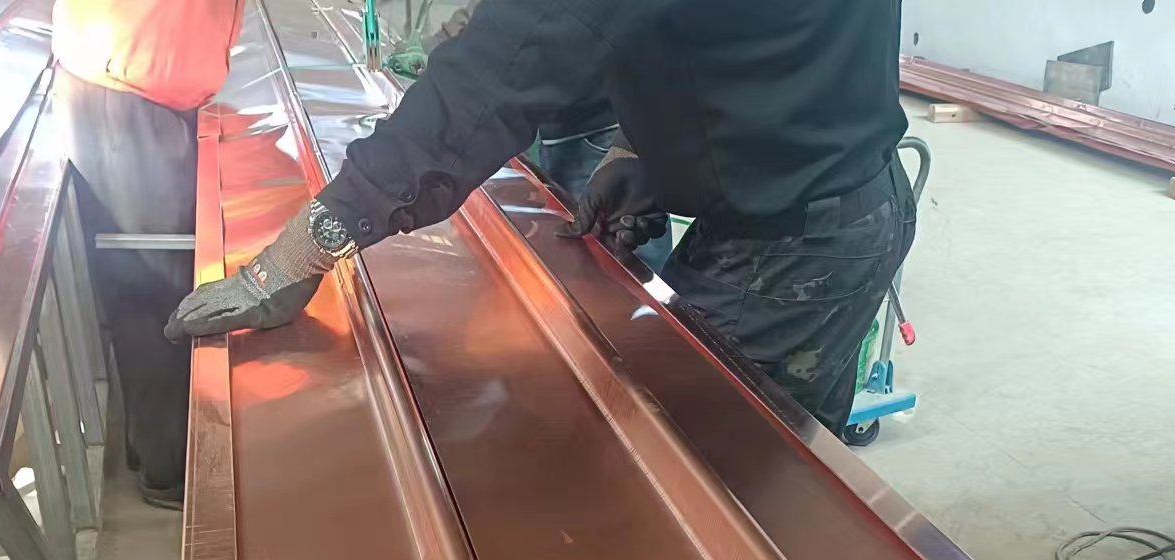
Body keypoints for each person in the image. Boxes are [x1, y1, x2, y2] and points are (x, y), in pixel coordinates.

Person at [166, 0, 912, 438]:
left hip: (794, 254)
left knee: (710, 483)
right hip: (841, 203)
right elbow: (739, 38)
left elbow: (498, 78)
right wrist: (650, 154)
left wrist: (306, 247)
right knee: (792, 459)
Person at [52, 0, 244, 507]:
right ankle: (169, 469)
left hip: (140, 70)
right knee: (155, 289)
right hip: (130, 78)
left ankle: (155, 448)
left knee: (156, 281)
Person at [396, 0, 673, 272]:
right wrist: (438, 47)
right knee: (568, 257)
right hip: (562, 127)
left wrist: (630, 148)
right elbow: (492, 13)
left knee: (615, 264)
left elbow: (522, 21)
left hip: (605, 131)